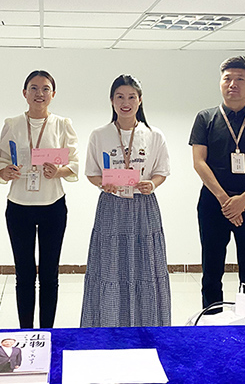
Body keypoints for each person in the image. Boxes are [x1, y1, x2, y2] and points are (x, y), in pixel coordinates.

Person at [81, 74, 171, 327]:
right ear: (111, 100)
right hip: (112, 206)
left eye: (131, 97)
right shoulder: (100, 135)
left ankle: (147, 324)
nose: (126, 102)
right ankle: (108, 324)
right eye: (120, 97)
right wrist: (102, 183)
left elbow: (161, 171)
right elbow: (91, 173)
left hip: (144, 207)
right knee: (110, 266)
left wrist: (153, 184)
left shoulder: (154, 135)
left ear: (140, 100)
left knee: (146, 266)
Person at [189, 56, 245, 312]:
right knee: (211, 269)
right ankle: (211, 321)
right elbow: (199, 162)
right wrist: (226, 201)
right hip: (213, 203)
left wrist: (243, 201)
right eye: (227, 78)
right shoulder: (205, 118)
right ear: (220, 83)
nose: (233, 84)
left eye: (240, 79)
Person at [0, 70, 79, 329]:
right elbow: (1, 161)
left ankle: (46, 331)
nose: (39, 93)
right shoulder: (12, 124)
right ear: (24, 93)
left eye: (45, 89)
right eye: (33, 88)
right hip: (18, 206)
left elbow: (74, 163)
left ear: (53, 94)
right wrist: (5, 171)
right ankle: (25, 331)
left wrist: (59, 171)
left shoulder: (62, 124)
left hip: (52, 206)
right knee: (24, 274)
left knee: (49, 275)